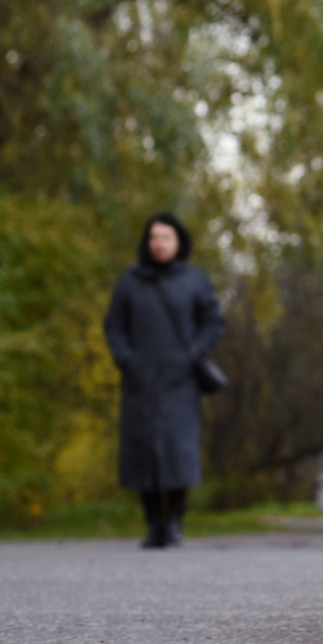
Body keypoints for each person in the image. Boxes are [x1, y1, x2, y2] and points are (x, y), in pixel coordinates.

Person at [102, 213, 224, 549]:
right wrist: (126, 359)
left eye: (166, 237)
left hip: (180, 380)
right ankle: (153, 523)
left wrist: (196, 352)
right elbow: (114, 325)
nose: (159, 243)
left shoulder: (194, 281)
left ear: (179, 242)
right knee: (143, 453)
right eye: (154, 237)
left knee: (177, 451)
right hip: (140, 379)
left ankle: (175, 522)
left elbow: (213, 320)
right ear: (147, 241)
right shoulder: (130, 281)